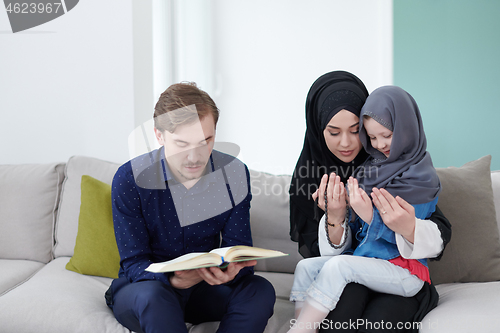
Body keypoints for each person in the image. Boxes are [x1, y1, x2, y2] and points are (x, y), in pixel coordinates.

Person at [105, 82, 275, 333]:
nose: (195, 157)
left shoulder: (235, 173)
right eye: (182, 144)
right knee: (154, 297)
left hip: (205, 290)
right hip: (149, 289)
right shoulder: (129, 178)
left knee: (259, 290)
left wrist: (231, 272)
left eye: (206, 140)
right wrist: (173, 279)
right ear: (159, 135)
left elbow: (238, 248)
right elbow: (133, 263)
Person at [289, 71, 451, 333]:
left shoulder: (405, 170)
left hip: (399, 272)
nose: (346, 143)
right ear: (318, 130)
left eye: (355, 131)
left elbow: (437, 230)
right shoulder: (342, 176)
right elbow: (329, 259)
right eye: (333, 132)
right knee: (321, 288)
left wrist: (381, 220)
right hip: (355, 268)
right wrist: (336, 218)